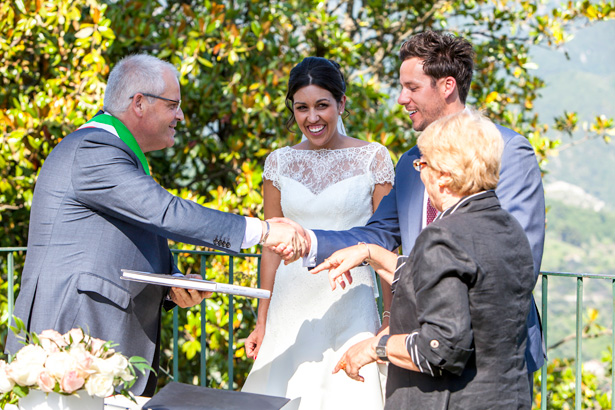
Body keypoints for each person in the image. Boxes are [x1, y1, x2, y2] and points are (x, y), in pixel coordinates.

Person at [5, 54, 305, 397]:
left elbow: (119, 241)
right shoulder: (94, 149)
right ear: (139, 104)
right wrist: (263, 231)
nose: (180, 116)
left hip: (95, 338)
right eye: (173, 105)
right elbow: (165, 212)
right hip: (72, 333)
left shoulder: (117, 153)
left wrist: (173, 285)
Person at [273, 31, 546, 388]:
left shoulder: (507, 150)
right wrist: (307, 239)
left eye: (412, 88)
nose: (402, 98)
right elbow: (375, 234)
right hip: (417, 347)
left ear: (447, 85)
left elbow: (517, 258)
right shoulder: (410, 163)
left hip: (489, 354)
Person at [313, 109, 535, 409]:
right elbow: (457, 283)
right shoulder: (509, 229)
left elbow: (440, 348)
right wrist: (372, 253)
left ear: (444, 176)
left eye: (424, 164)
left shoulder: (444, 235)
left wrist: (375, 348)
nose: (420, 172)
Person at [240, 57, 395, 409]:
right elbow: (270, 245)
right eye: (302, 108)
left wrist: (389, 318)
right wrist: (262, 320)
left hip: (350, 301)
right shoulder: (278, 163)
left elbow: (386, 241)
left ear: (341, 103)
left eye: (322, 105)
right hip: (290, 303)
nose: (312, 118)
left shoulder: (374, 159)